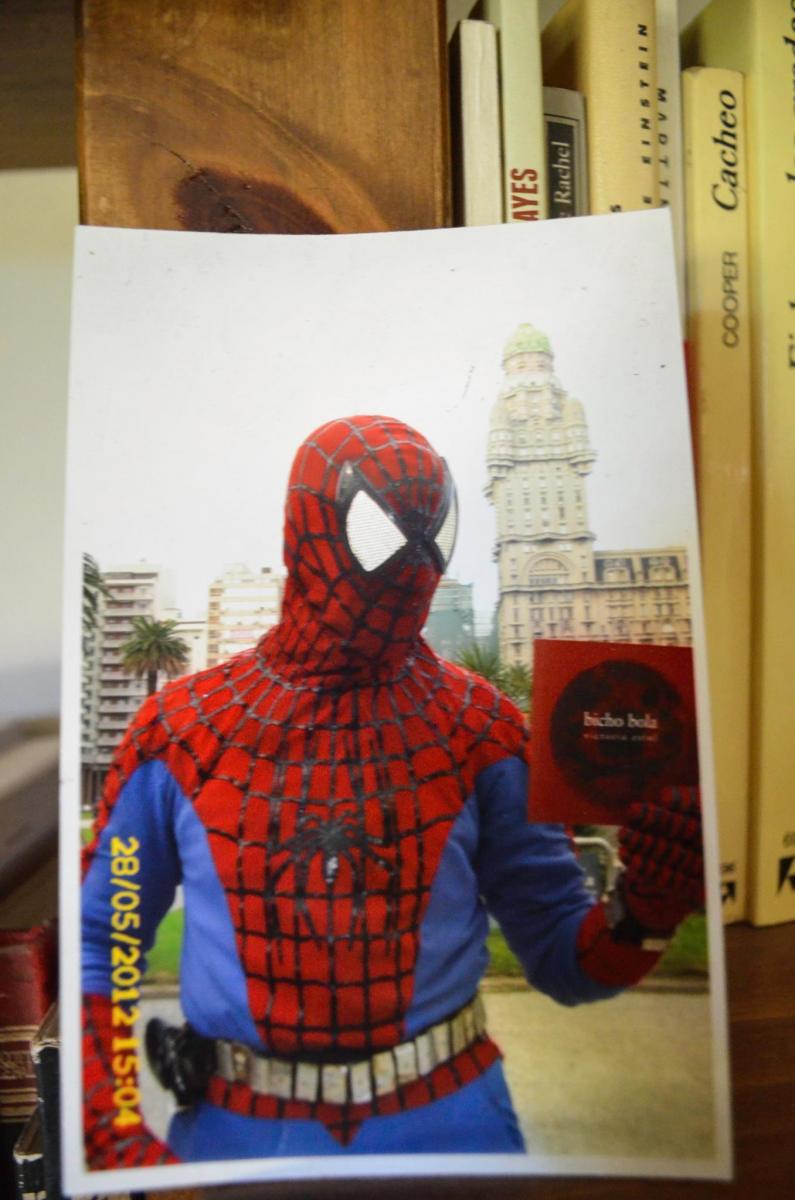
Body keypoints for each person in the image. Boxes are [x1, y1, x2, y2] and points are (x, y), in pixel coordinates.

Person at [81, 414, 703, 1166]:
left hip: (448, 1127)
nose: (413, 565)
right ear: (312, 527)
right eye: (385, 532)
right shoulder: (181, 731)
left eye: (432, 535)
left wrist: (646, 911)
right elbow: (100, 938)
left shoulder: (482, 730)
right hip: (247, 1131)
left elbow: (566, 959)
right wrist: (109, 1127)